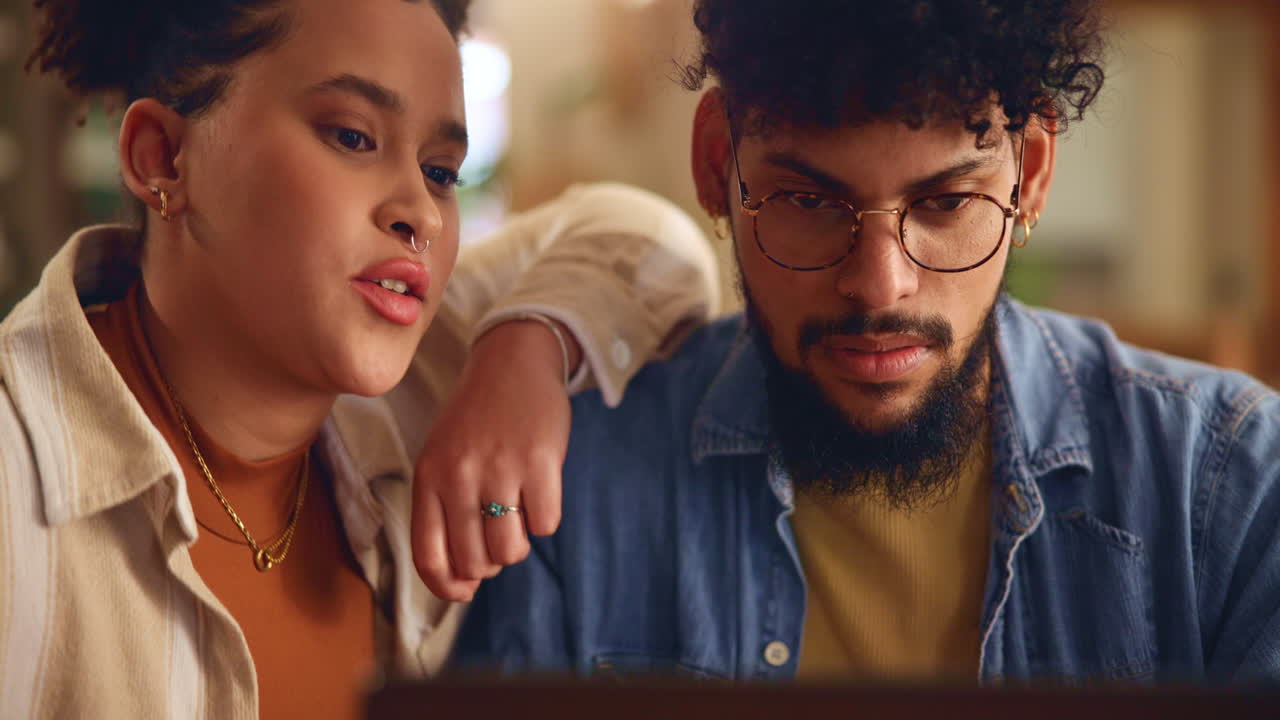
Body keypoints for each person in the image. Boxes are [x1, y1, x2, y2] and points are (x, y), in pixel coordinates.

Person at [455, 0, 1280, 684]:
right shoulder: (575, 497)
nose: (880, 285)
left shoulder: (1230, 489)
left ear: (1029, 172)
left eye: (948, 203)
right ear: (717, 164)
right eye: (810, 203)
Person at [0, 1, 717, 718]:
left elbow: (656, 243)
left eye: (441, 171)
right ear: (162, 156)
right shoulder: (18, 480)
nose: (422, 214)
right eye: (352, 136)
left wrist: (528, 352)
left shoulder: (429, 378)